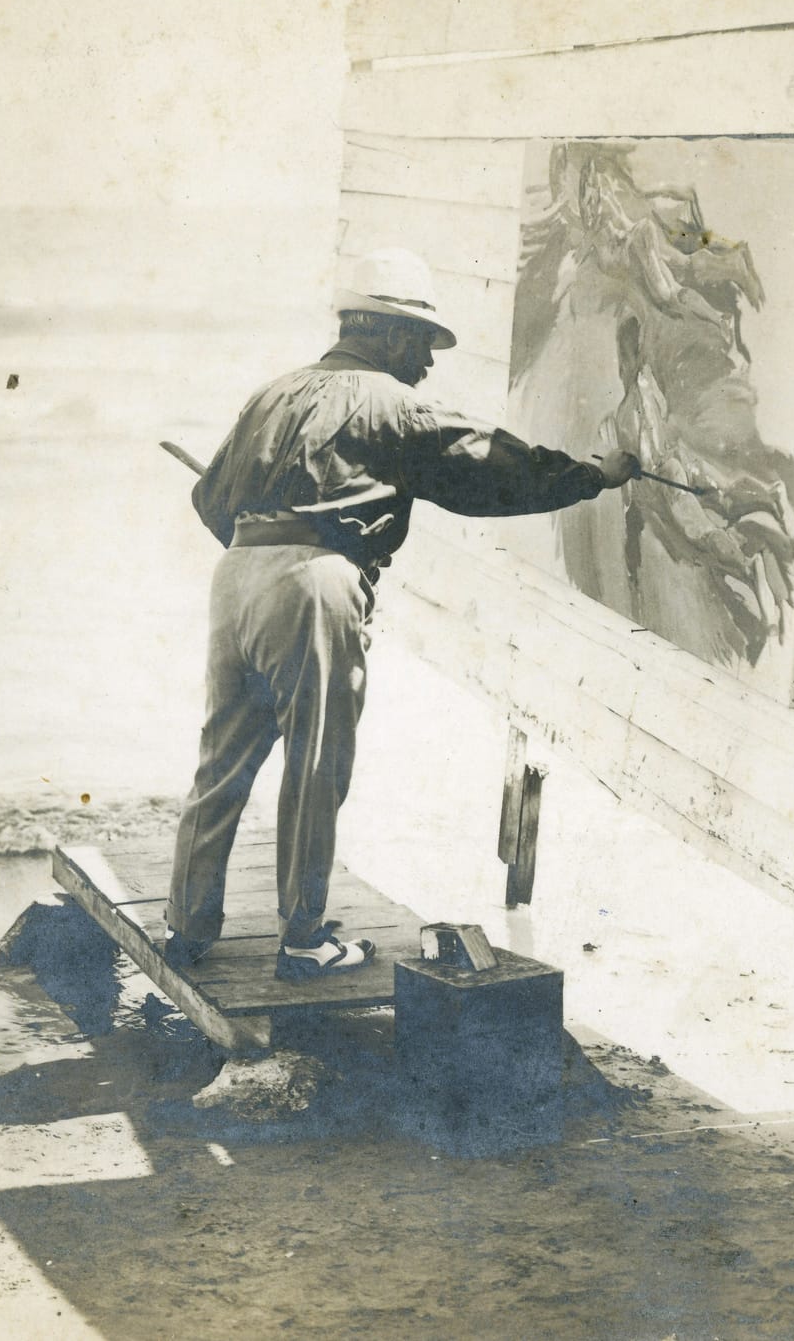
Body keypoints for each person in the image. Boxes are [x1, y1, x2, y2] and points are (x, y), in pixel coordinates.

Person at [164, 247, 641, 979]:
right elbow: (489, 471)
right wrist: (591, 476)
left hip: (235, 576)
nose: (427, 363)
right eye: (422, 344)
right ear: (388, 334)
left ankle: (188, 926)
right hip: (314, 584)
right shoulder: (394, 404)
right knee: (316, 762)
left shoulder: (271, 394)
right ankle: (303, 939)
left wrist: (267, 547)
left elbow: (211, 503)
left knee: (222, 757)